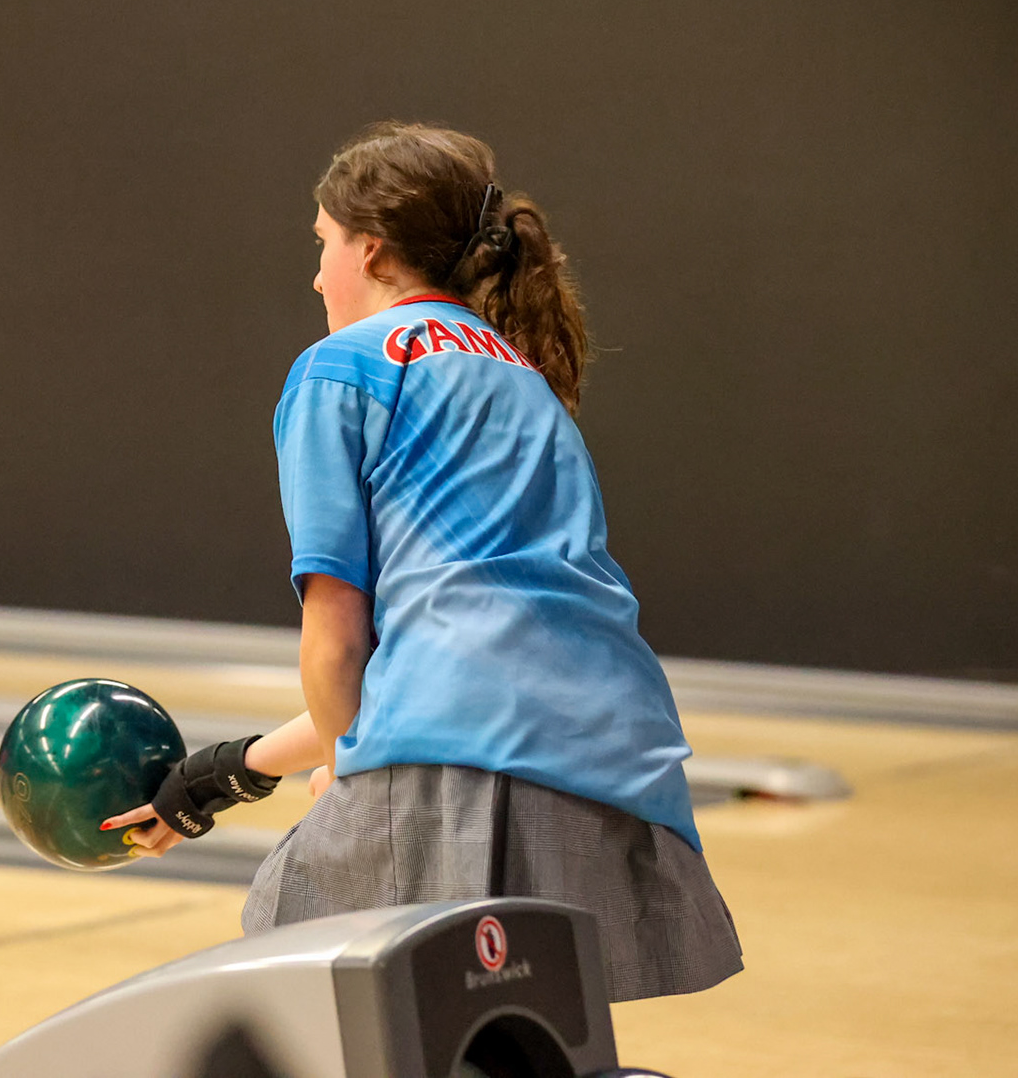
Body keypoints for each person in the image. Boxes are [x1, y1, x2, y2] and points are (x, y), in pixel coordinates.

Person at [103, 121, 741, 1002]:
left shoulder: (341, 370)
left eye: (323, 243)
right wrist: (225, 774)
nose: (316, 273)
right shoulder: (520, 373)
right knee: (523, 1027)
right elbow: (463, 652)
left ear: (369, 248)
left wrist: (350, 774)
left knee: (314, 991)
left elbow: (340, 640)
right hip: (612, 758)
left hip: (463, 762)